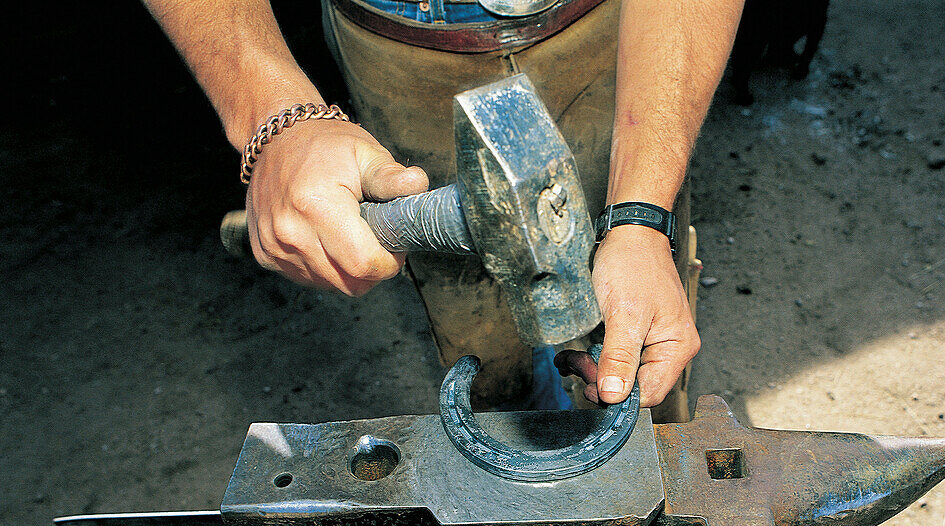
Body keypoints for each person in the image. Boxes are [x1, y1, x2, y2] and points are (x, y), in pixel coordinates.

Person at [141, 0, 745, 414]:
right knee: (484, 362)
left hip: (617, 31)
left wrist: (641, 219)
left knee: (641, 334)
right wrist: (271, 113)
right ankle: (516, 435)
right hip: (400, 44)